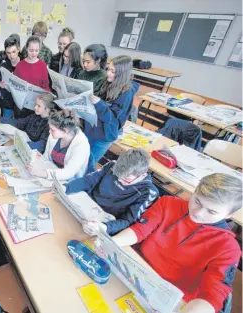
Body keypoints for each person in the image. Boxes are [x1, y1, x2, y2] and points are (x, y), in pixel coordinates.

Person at [107, 173, 242, 313]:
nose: (199, 213)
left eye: (211, 211)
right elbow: (140, 230)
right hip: (135, 271)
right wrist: (111, 243)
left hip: (169, 299)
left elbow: (213, 293)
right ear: (194, 191)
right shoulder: (168, 203)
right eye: (197, 201)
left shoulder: (228, 248)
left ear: (228, 215)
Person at [66, 148, 158, 235]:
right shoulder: (112, 165)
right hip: (85, 208)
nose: (120, 180)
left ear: (142, 175)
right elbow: (88, 180)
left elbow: (128, 221)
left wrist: (104, 227)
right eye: (117, 176)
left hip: (104, 223)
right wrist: (66, 188)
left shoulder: (148, 192)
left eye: (126, 179)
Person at [85, 55, 139, 172]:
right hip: (94, 128)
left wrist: (99, 103)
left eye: (113, 71)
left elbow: (112, 118)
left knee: (88, 164)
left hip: (105, 134)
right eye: (108, 69)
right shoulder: (108, 83)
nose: (108, 73)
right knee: (82, 158)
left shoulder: (126, 93)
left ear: (122, 74)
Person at [27, 109, 90, 182]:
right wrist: (35, 165)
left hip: (68, 182)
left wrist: (40, 173)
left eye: (52, 130)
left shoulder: (81, 145)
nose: (49, 131)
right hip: (51, 172)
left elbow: (68, 173)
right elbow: (46, 157)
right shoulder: (55, 135)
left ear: (65, 131)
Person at [0, 35, 21, 118]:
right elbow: (0, 83)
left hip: (21, 104)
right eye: (8, 53)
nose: (11, 55)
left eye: (14, 52)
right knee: (7, 126)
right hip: (8, 103)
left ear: (18, 49)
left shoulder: (24, 64)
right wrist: (0, 85)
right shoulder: (3, 65)